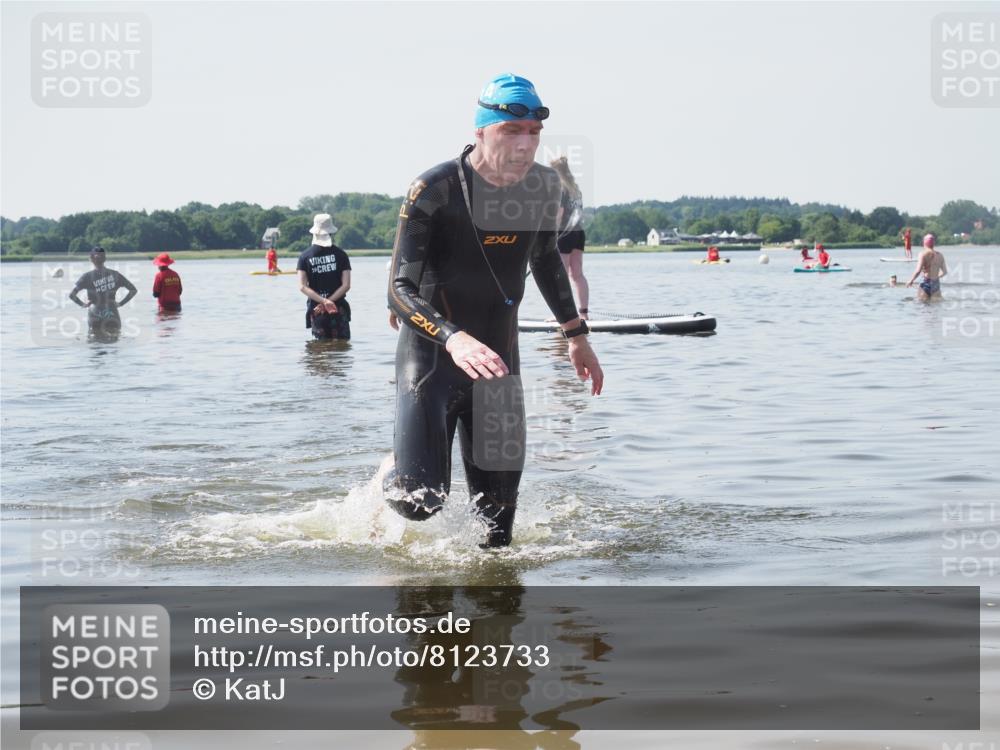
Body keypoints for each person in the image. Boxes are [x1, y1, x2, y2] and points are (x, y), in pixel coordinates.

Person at [385, 72, 604, 549]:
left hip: (500, 366)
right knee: (419, 503)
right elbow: (398, 291)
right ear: (481, 130)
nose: (525, 145)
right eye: (512, 131)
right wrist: (454, 338)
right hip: (433, 361)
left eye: (534, 133)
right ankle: (393, 471)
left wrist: (576, 335)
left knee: (498, 531)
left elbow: (545, 260)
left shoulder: (545, 188)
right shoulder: (434, 188)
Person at [297, 213, 352, 339]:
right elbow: (346, 285)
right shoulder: (341, 254)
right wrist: (329, 301)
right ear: (331, 232)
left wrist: (323, 302)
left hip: (317, 310)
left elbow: (302, 286)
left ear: (314, 232)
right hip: (339, 308)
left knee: (319, 352)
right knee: (342, 352)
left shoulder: (304, 256)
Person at [550, 156, 589, 319]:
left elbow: (559, 213)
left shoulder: (560, 188)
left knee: (562, 275)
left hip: (564, 234)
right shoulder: (575, 188)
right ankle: (583, 314)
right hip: (578, 233)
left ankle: (563, 315)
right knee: (577, 274)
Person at [68, 246, 138, 336]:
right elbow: (133, 290)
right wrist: (121, 303)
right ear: (105, 258)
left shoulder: (86, 277)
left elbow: (71, 295)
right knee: (114, 341)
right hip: (112, 311)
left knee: (95, 341)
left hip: (94, 312)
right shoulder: (115, 274)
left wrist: (83, 304)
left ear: (91, 259)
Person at [906, 233, 947, 301]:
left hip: (926, 283)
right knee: (936, 308)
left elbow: (918, 270)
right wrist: (936, 277)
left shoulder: (923, 254)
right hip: (936, 283)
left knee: (922, 306)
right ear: (933, 243)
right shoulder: (940, 255)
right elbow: (945, 272)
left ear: (924, 243)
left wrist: (911, 280)